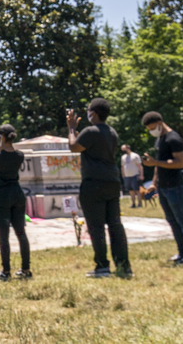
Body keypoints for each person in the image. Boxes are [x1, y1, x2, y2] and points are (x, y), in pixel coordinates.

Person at [68, 99, 131, 278]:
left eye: (88, 110)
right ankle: (124, 266)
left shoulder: (90, 131)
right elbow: (90, 147)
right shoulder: (111, 132)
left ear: (94, 113)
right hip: (112, 181)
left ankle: (102, 266)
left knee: (96, 227)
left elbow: (73, 146)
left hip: (93, 183)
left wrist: (71, 128)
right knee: (115, 225)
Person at [0, 126, 31, 280]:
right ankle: (26, 269)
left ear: (1, 137)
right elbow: (7, 151)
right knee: (21, 232)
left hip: (1, 195)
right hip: (17, 193)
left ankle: (6, 271)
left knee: (4, 234)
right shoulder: (19, 155)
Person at [140, 111, 183, 265]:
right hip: (163, 188)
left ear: (159, 123)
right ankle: (181, 253)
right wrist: (154, 183)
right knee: (172, 221)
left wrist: (155, 163)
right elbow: (158, 164)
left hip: (175, 187)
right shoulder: (160, 139)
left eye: (152, 128)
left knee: (182, 221)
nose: (151, 131)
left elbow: (180, 162)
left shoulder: (174, 139)